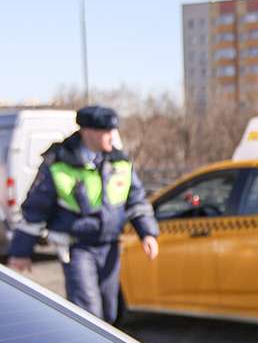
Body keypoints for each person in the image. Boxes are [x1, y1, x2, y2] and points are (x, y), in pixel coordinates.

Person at [8, 106, 158, 323]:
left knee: (109, 311)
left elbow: (137, 201)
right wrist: (21, 252)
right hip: (78, 248)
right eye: (106, 131)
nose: (112, 137)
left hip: (109, 246)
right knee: (88, 312)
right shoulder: (59, 164)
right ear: (88, 132)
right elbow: (35, 210)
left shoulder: (120, 162)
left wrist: (148, 233)